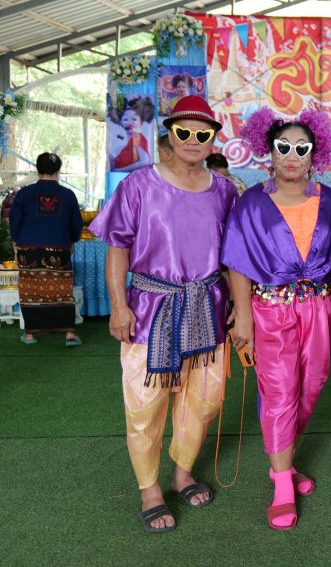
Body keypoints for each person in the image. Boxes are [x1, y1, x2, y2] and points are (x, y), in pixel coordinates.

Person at [89, 95, 237, 533]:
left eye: (202, 133)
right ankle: (150, 488)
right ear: (169, 135)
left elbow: (235, 257)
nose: (193, 140)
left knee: (205, 399)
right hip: (151, 309)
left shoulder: (225, 190)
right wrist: (119, 306)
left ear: (213, 139)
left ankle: (182, 471)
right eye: (184, 131)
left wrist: (238, 309)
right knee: (145, 404)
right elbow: (117, 247)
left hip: (208, 307)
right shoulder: (139, 185)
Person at [221, 107, 331, 531]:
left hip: (319, 308)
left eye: (301, 149)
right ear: (269, 152)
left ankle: (284, 463)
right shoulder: (251, 202)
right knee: (279, 393)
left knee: (312, 386)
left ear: (314, 155)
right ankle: (282, 486)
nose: (292, 156)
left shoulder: (330, 200)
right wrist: (243, 320)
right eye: (283, 147)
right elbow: (238, 263)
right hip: (270, 310)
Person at [9, 152, 83, 347]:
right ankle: (69, 333)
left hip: (28, 249)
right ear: (58, 171)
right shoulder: (68, 195)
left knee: (31, 290)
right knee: (62, 289)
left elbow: (14, 221)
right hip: (58, 248)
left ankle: (30, 334)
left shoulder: (24, 194)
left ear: (37, 170)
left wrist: (15, 241)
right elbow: (76, 224)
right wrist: (72, 241)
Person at [111, 106, 152, 171]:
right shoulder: (123, 145)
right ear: (121, 123)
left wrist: (118, 170)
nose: (129, 122)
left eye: (134, 119)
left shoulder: (137, 138)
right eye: (125, 119)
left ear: (141, 122)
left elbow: (145, 161)